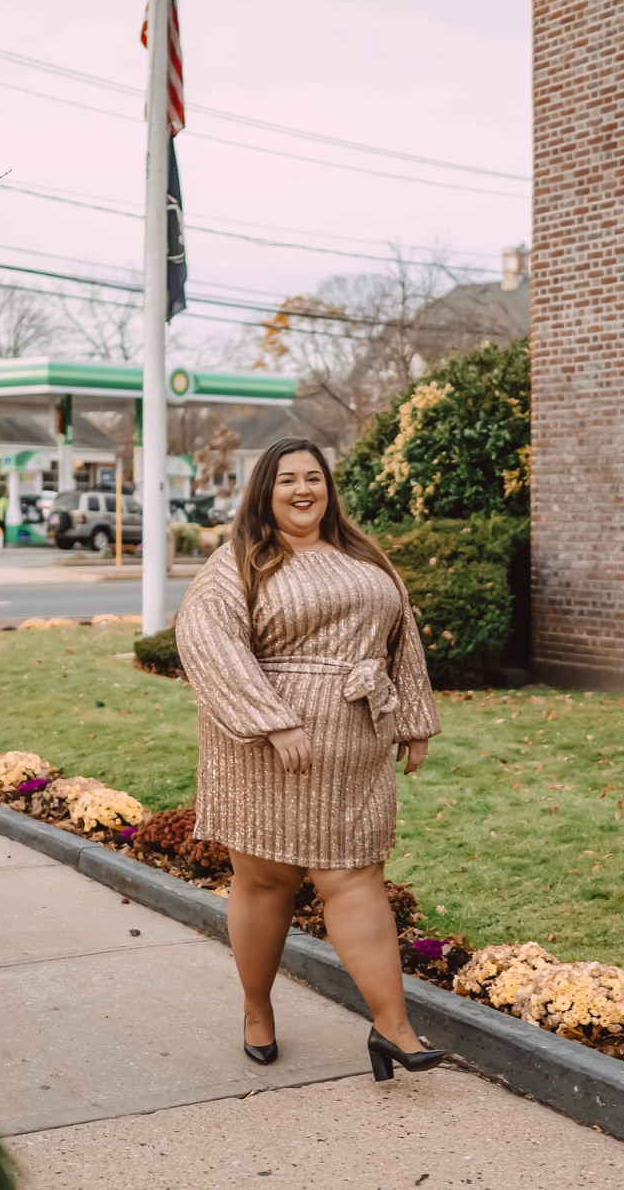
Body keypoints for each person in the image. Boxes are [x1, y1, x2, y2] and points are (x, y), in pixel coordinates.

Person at [175, 436, 446, 1083]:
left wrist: (412, 720)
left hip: (355, 749)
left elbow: (399, 634)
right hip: (271, 753)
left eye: (315, 478)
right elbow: (205, 638)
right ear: (264, 490)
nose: (304, 489)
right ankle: (256, 1008)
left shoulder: (361, 553)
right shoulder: (240, 560)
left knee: (355, 878)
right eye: (288, 479)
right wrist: (272, 720)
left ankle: (393, 1025)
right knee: (267, 881)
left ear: (329, 488)